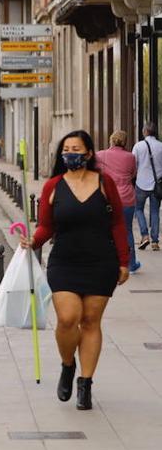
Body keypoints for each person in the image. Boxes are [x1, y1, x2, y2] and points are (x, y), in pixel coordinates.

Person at [22, 130, 129, 410]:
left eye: (76, 148)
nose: (70, 153)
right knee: (69, 318)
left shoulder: (104, 183)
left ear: (89, 153)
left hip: (101, 262)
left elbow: (118, 223)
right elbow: (46, 226)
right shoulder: (54, 186)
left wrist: (123, 261)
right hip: (64, 262)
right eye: (66, 149)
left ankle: (85, 383)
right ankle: (68, 364)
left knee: (91, 321)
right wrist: (32, 241)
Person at [96, 130, 140, 273]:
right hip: (127, 198)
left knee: (106, 230)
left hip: (109, 198)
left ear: (111, 140)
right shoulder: (131, 157)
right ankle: (131, 264)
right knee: (127, 231)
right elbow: (133, 173)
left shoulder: (101, 155)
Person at [132, 122, 162, 252]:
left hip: (141, 184)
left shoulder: (138, 146)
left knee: (138, 209)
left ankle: (144, 236)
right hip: (157, 185)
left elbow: (133, 164)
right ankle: (155, 241)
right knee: (155, 212)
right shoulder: (161, 146)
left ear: (145, 131)